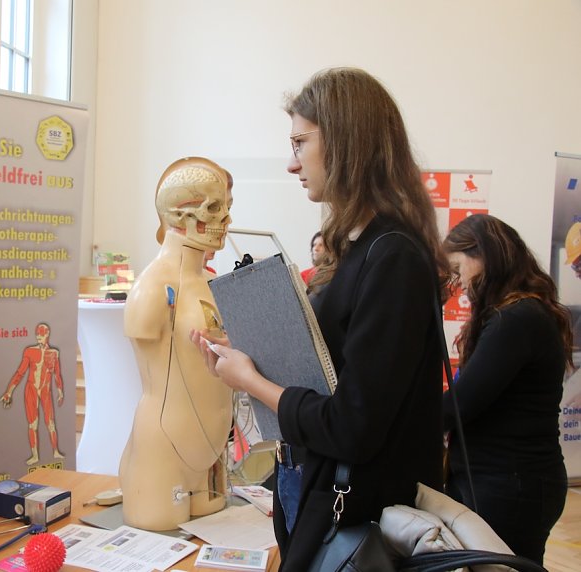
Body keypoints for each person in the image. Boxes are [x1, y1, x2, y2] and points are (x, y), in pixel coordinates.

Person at [191, 67, 446, 569]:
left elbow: (352, 425)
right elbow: (330, 379)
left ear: (347, 141)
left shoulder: (392, 257)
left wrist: (251, 380)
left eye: (300, 143)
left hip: (356, 508)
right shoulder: (362, 250)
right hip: (317, 487)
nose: (291, 164)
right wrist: (247, 362)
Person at [442, 213, 570, 564]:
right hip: (512, 480)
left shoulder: (517, 318)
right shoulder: (521, 313)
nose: (459, 283)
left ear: (482, 254)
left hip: (512, 483)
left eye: (458, 268)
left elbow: (460, 404)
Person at [119, 156, 234, 531]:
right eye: (214, 209)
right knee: (159, 547)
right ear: (177, 215)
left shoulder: (211, 284)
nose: (226, 221)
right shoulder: (151, 289)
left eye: (227, 208)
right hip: (165, 449)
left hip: (213, 449)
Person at [1, 322, 65, 466]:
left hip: (45, 390)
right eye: (37, 334)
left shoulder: (54, 353)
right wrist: (9, 392)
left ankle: (55, 451)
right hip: (31, 390)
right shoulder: (30, 351)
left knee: (50, 423)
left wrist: (60, 391)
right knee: (33, 424)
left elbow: (57, 374)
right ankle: (35, 455)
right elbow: (20, 372)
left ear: (47, 334)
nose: (38, 337)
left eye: (41, 334)